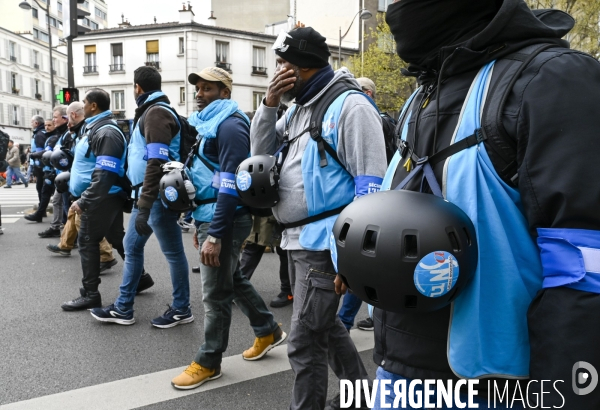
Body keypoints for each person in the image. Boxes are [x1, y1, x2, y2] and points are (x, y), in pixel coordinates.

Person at [359, 0, 600, 408]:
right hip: (398, 371)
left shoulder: (553, 79)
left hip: (498, 386)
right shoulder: (423, 90)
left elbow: (585, 270)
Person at [250, 27, 387, 410]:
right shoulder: (297, 108)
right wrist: (269, 103)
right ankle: (363, 398)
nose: (276, 71)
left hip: (326, 247)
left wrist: (353, 259)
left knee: (305, 341)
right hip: (296, 242)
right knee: (325, 327)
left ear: (304, 67)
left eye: (283, 65)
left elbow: (370, 188)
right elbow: (258, 157)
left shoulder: (351, 107)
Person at [171, 67, 285, 390]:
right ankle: (267, 329)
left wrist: (216, 234)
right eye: (198, 88)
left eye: (208, 88)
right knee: (231, 279)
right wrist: (201, 223)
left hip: (227, 219)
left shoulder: (231, 126)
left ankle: (209, 361)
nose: (199, 94)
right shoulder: (212, 124)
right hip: (213, 218)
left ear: (225, 93)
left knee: (216, 296)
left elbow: (230, 184)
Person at [90, 66, 191, 327]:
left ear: (137, 88)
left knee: (164, 251)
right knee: (141, 249)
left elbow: (156, 160)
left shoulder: (155, 113)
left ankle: (172, 308)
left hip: (154, 196)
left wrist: (144, 205)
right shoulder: (152, 111)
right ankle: (129, 308)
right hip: (149, 195)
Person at [61, 89, 128, 311]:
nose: (82, 106)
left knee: (87, 242)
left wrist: (84, 200)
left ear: (93, 106)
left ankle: (90, 294)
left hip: (102, 198)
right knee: (116, 237)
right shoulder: (96, 128)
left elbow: (105, 174)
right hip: (104, 196)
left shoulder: (106, 132)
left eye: (85, 103)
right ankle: (142, 278)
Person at [239, 215, 293, 308]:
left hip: (284, 214)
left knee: (284, 250)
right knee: (253, 247)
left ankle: (287, 291)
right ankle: (237, 287)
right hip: (262, 212)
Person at [38, 105, 70, 237]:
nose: (53, 120)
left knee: (69, 208)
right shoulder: (61, 134)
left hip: (66, 176)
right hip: (59, 175)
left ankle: (71, 237)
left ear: (65, 118)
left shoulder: (67, 134)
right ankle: (57, 228)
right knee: (57, 200)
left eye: (55, 117)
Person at [25, 115, 63, 222]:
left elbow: (45, 152)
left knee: (49, 193)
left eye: (49, 125)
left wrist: (33, 155)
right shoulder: (49, 136)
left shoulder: (52, 137)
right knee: (47, 192)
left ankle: (53, 220)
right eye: (45, 125)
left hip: (51, 168)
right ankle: (43, 215)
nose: (46, 127)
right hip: (48, 168)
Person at [29, 115, 47, 203]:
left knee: (40, 187)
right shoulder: (41, 132)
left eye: (32, 122)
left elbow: (39, 151)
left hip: (40, 164)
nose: (31, 124)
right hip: (41, 163)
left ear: (36, 123)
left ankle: (42, 208)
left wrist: (37, 166)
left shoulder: (39, 134)